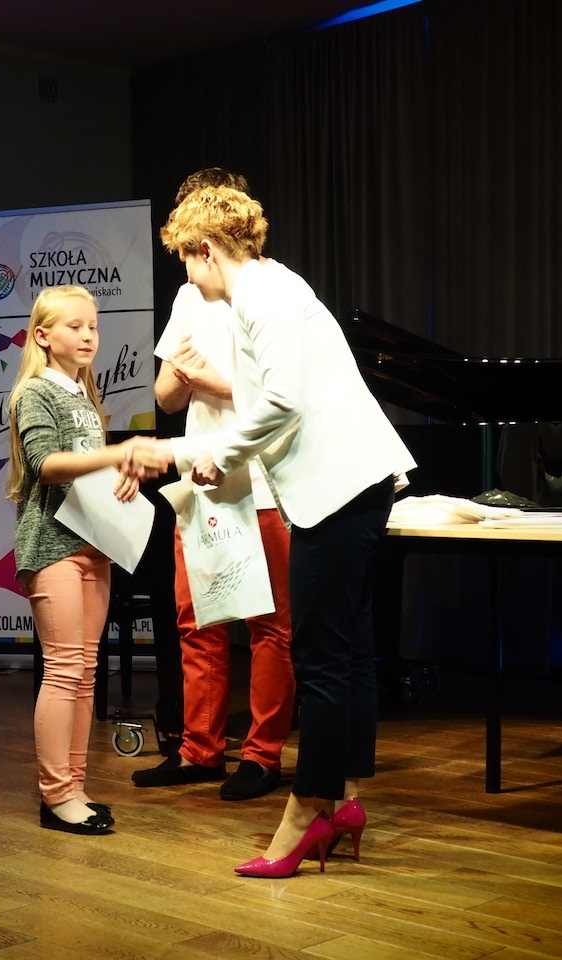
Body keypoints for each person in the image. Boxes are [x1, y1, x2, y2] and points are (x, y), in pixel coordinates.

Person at [153, 187, 417, 876]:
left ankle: (304, 815)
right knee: (349, 655)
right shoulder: (276, 285)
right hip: (352, 483)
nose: (189, 278)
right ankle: (344, 799)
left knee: (322, 660)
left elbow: (279, 402)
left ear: (206, 250)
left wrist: (219, 454)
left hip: (336, 489)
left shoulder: (262, 296)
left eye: (186, 262)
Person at [132, 169, 295, 802]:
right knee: (196, 619)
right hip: (199, 476)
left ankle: (262, 754)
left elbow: (279, 396)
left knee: (268, 624)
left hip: (261, 478)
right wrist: (185, 375)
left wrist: (211, 379)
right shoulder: (188, 298)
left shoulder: (269, 290)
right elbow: (165, 395)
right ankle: (200, 749)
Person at [6, 285, 167, 835]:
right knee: (64, 669)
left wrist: (120, 471)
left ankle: (74, 789)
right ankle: (56, 796)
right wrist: (119, 451)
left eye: (93, 326)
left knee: (85, 671)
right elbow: (47, 463)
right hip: (52, 546)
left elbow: (84, 467)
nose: (87, 336)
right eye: (74, 326)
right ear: (42, 336)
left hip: (93, 545)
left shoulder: (83, 392)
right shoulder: (35, 392)